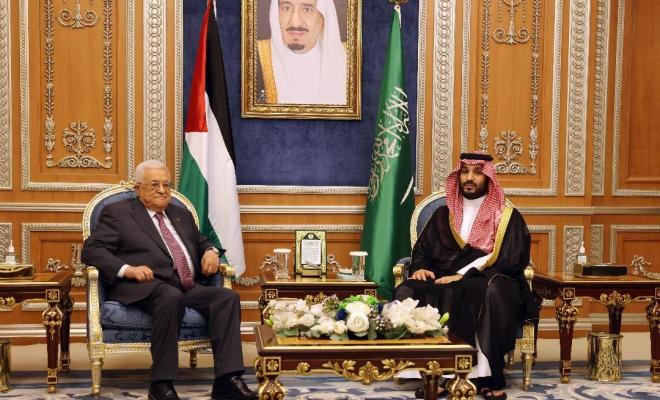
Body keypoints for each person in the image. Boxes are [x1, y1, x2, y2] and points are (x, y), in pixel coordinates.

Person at [81, 160, 257, 400]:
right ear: (138, 189)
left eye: (167, 185)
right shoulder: (119, 213)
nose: (162, 190)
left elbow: (202, 241)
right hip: (144, 286)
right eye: (154, 185)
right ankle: (161, 384)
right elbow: (92, 251)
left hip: (187, 285)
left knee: (226, 298)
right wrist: (127, 269)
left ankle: (227, 380)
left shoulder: (180, 213)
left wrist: (211, 252)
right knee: (169, 296)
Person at [394, 152, 539, 400]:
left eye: (477, 172)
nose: (469, 178)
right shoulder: (444, 214)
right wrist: (419, 267)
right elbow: (423, 250)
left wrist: (463, 275)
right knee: (408, 289)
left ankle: (487, 377)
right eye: (464, 172)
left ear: (488, 178)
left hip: (492, 277)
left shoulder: (505, 216)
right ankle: (435, 373)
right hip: (443, 277)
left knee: (472, 290)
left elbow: (512, 259)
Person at [256, 0, 347, 105]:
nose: (295, 22)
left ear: (323, 15)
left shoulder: (351, 61)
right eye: (286, 8)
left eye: (307, 9)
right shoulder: (253, 59)